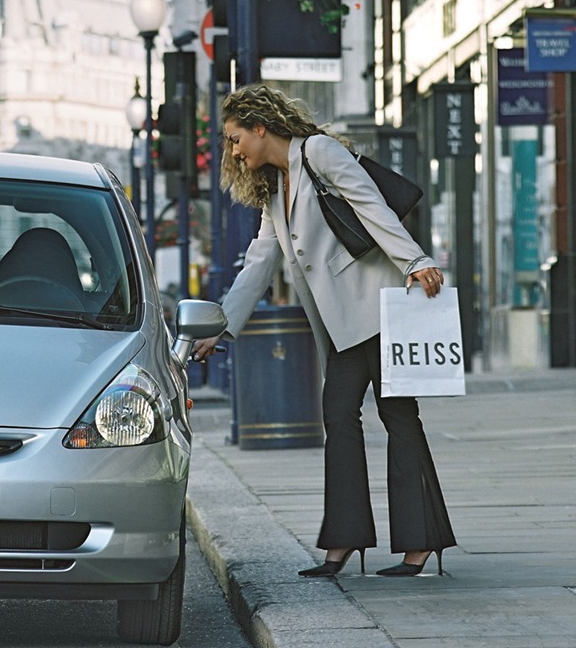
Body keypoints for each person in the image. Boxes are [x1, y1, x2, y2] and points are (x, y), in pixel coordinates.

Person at [192, 84, 456, 578]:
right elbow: (260, 261)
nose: (232, 150)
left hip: (377, 311)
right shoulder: (274, 188)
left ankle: (419, 544)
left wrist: (415, 259)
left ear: (260, 127)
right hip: (339, 325)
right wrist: (221, 326)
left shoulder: (319, 152)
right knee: (339, 418)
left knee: (398, 417)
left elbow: (373, 206)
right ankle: (344, 542)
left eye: (234, 138)